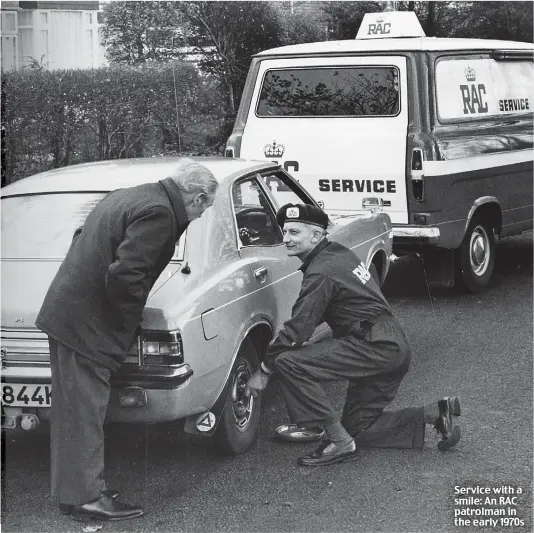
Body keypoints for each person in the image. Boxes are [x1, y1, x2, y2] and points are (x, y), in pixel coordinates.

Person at [36, 159, 218, 520]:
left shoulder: (131, 195)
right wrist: (127, 321)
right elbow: (126, 275)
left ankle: (78, 490)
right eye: (204, 209)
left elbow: (81, 238)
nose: (199, 217)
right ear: (196, 198)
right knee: (84, 410)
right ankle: (86, 498)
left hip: (70, 313)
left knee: (75, 410)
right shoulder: (160, 212)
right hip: (87, 323)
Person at [245, 203, 461, 467]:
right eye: (285, 232)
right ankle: (434, 413)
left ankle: (338, 443)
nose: (286, 239)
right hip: (391, 344)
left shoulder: (321, 270)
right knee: (359, 430)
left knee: (288, 362)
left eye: (294, 233)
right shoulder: (338, 254)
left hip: (373, 345)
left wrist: (264, 370)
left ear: (316, 236)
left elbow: (298, 330)